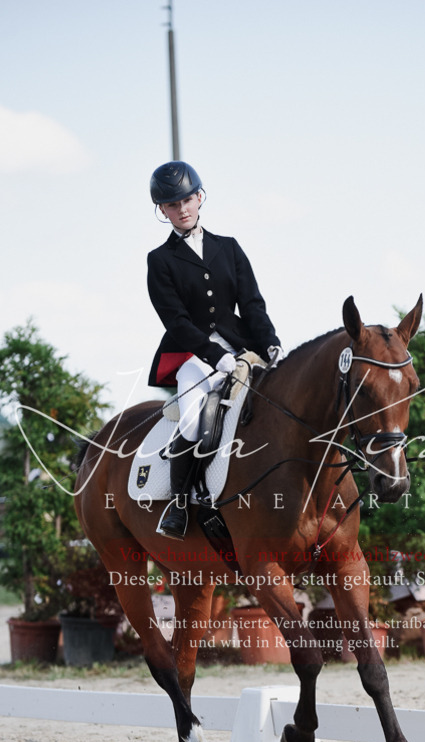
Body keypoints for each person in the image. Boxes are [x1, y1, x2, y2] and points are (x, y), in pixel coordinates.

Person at [147, 160, 283, 538]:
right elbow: (176, 321)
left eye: (188, 199)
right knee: (191, 421)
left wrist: (269, 342)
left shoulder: (229, 248)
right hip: (193, 358)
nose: (183, 209)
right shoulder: (159, 261)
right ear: (162, 210)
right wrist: (213, 356)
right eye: (173, 205)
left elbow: (252, 303)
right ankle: (179, 504)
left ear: (200, 197)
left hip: (243, 349)